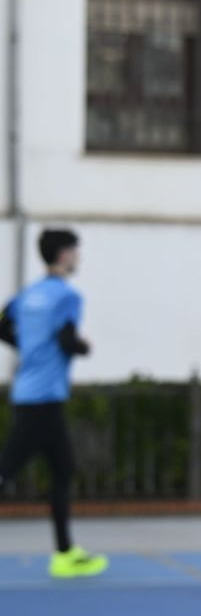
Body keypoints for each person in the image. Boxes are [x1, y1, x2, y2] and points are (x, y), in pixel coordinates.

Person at [0, 228, 104, 579]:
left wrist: (31, 348)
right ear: (62, 254)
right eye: (76, 251)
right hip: (43, 398)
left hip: (31, 394)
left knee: (63, 470)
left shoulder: (28, 295)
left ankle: (64, 554)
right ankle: (64, 552)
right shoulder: (66, 296)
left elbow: (3, 326)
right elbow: (66, 340)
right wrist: (84, 347)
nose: (78, 257)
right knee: (6, 470)